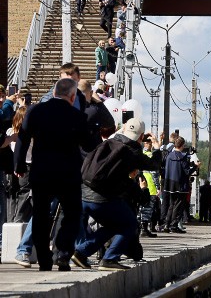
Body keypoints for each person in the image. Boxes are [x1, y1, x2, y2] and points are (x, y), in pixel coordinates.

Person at [14, 78, 94, 271]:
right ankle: (63, 253)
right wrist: (81, 108)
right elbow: (88, 144)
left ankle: (44, 259)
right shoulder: (76, 116)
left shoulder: (35, 111)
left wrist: (19, 164)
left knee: (41, 215)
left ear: (54, 92)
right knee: (72, 214)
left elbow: (22, 140)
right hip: (68, 173)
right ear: (73, 96)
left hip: (41, 171)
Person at [73, 118, 161, 270]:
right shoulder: (132, 151)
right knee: (129, 223)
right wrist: (158, 149)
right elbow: (154, 165)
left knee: (113, 225)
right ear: (141, 137)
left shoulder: (109, 142)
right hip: (101, 199)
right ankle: (109, 259)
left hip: (83, 194)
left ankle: (81, 253)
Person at [162, 136, 199, 233]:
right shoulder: (182, 157)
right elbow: (187, 171)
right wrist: (195, 166)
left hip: (170, 183)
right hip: (181, 184)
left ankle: (167, 224)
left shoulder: (169, 156)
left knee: (171, 204)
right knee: (179, 206)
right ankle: (174, 225)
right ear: (183, 145)